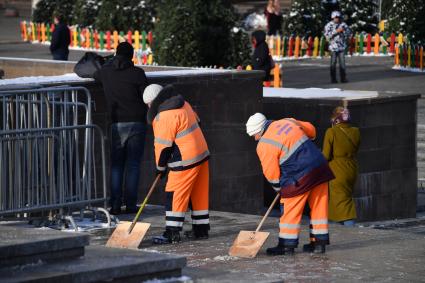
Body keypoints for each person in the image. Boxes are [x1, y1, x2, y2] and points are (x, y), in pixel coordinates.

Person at [246, 113, 334, 255]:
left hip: (298, 177)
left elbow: (271, 173)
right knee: (319, 208)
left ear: (260, 130)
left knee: (289, 211)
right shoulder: (288, 121)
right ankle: (319, 244)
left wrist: (280, 189)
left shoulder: (264, 145)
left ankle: (286, 245)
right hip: (320, 168)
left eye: (254, 135)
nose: (255, 138)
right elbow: (311, 130)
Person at [143, 84, 210, 245]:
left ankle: (172, 233)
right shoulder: (183, 103)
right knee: (198, 194)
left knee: (174, 194)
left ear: (152, 102)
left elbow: (163, 146)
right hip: (202, 153)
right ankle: (201, 230)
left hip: (184, 160)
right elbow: (198, 123)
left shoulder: (163, 117)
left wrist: (160, 168)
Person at [94, 42, 149, 215]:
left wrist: (106, 62)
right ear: (132, 56)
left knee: (117, 165)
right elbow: (146, 95)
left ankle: (115, 205)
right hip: (137, 122)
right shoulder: (138, 73)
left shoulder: (106, 72)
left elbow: (85, 71)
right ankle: (131, 205)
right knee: (133, 165)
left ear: (116, 54)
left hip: (117, 123)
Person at [322, 107, 360, 226]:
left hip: (337, 170)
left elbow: (326, 156)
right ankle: (341, 228)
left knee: (342, 203)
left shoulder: (331, 132)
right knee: (343, 200)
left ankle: (349, 229)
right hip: (352, 168)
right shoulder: (356, 131)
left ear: (335, 119)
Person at [324, 11, 351, 83]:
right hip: (333, 47)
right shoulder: (328, 25)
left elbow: (349, 33)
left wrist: (344, 31)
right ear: (332, 18)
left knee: (342, 64)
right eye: (336, 17)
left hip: (341, 47)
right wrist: (336, 31)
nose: (337, 19)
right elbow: (327, 36)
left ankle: (343, 78)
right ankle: (333, 79)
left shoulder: (343, 24)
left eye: (338, 17)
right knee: (333, 63)